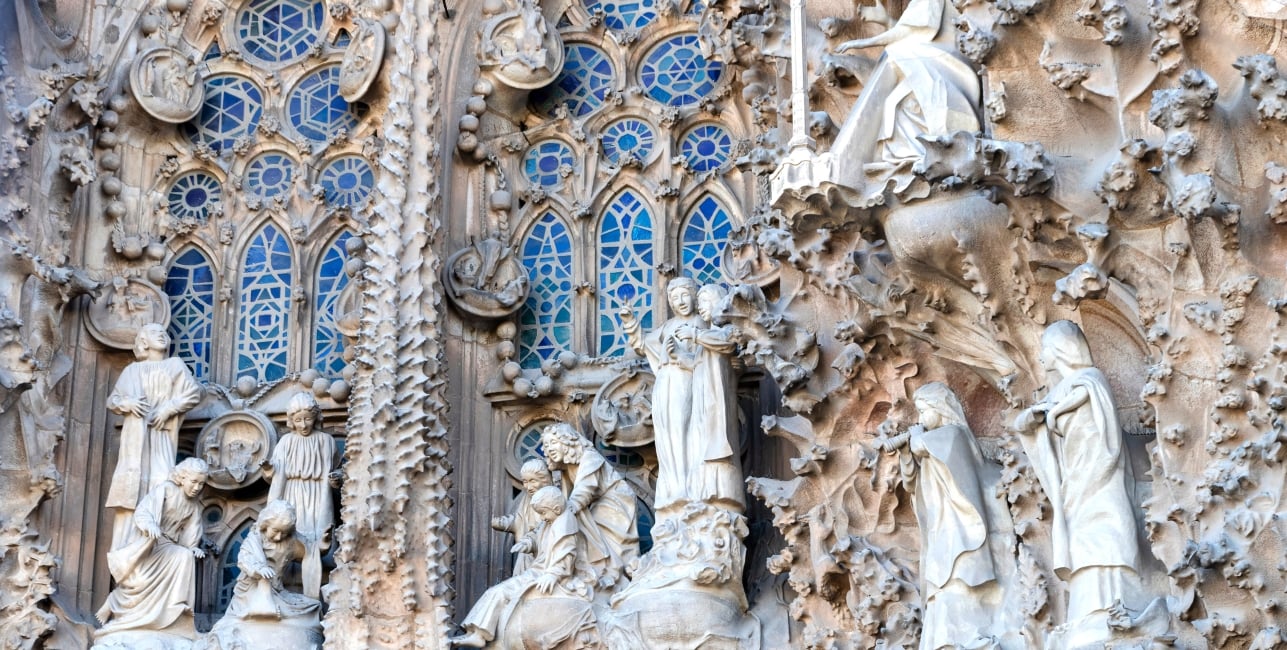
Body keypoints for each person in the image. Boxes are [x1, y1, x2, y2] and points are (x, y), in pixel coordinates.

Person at [1014, 321, 1144, 628]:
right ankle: (1088, 611)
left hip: (1099, 469)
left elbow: (1086, 393)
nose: (1042, 356)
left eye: (1045, 348)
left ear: (1061, 350)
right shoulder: (1058, 390)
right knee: (1081, 537)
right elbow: (1027, 421)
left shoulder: (1089, 378)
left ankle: (1117, 606)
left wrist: (1055, 412)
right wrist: (1033, 418)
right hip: (1073, 475)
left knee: (1106, 529)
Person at [830, 0, 981, 206]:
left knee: (895, 59)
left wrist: (861, 43)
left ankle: (924, 153)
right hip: (924, 55)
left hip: (940, 58)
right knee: (891, 101)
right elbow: (913, 32)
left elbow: (905, 35)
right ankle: (903, 158)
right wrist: (885, 20)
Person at [883, 382, 996, 649]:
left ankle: (973, 636)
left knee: (960, 581)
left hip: (961, 526)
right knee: (941, 588)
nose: (920, 418)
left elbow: (927, 445)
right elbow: (912, 483)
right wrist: (906, 455)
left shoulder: (954, 435)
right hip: (941, 528)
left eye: (924, 410)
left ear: (940, 408)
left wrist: (914, 438)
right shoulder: (931, 441)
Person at [450, 486, 591, 648]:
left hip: (543, 575)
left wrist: (553, 574)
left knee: (499, 592)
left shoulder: (565, 524)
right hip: (536, 571)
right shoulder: (552, 520)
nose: (542, 518)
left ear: (557, 508)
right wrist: (527, 543)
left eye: (543, 513)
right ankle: (475, 633)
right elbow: (537, 535)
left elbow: (567, 555)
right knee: (496, 592)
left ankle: (479, 635)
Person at [104, 323, 202, 551]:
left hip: (161, 435)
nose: (161, 334)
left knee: (161, 482)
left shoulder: (174, 365)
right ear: (143, 342)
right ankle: (127, 547)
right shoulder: (132, 371)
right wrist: (126, 403)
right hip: (135, 439)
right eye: (153, 332)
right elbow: (113, 401)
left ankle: (160, 545)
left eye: (164, 332)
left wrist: (168, 408)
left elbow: (192, 392)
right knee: (133, 488)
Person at [95, 459, 208, 643]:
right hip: (151, 543)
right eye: (193, 482)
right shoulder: (167, 490)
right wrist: (150, 525)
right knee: (140, 579)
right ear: (182, 478)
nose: (197, 487)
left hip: (170, 546)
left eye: (201, 484)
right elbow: (143, 511)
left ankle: (176, 607)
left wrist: (193, 548)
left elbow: (191, 531)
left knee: (185, 556)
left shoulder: (194, 505)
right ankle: (115, 601)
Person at [621, 277, 705, 509]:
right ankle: (673, 486)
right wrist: (629, 320)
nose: (681, 301)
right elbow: (642, 344)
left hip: (687, 380)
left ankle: (690, 487)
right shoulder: (668, 327)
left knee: (684, 431)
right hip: (665, 382)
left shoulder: (701, 323)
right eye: (675, 297)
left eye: (685, 295)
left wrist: (682, 354)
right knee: (667, 435)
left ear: (694, 296)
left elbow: (709, 356)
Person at [200, 500, 323, 650]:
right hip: (251, 592)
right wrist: (259, 569)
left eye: (283, 533)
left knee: (313, 606)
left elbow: (310, 549)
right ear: (266, 524)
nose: (278, 537)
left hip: (278, 592)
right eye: (275, 531)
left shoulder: (290, 540)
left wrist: (322, 544)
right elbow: (244, 559)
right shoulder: (254, 538)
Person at [540, 424, 639, 589]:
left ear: (567, 442)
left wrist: (566, 511)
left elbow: (585, 490)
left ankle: (615, 576)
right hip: (594, 503)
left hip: (615, 501)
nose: (550, 449)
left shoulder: (590, 457)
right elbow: (568, 497)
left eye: (554, 442)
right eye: (547, 445)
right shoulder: (565, 468)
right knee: (583, 529)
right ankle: (594, 572)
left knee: (614, 543)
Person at [263, 392, 339, 599]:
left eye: (308, 418)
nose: (303, 424)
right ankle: (279, 591)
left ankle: (312, 596)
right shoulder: (286, 441)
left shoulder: (326, 441)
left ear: (316, 417)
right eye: (298, 420)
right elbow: (276, 469)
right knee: (287, 537)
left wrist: (336, 479)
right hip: (291, 495)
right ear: (291, 421)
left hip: (318, 496)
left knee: (316, 541)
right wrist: (269, 468)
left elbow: (336, 468)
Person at [688, 283, 746, 510]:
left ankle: (723, 495)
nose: (700, 308)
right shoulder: (706, 337)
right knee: (702, 449)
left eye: (704, 302)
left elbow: (726, 343)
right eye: (700, 302)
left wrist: (695, 334)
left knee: (718, 451)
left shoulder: (726, 330)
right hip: (703, 405)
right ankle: (704, 494)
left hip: (718, 403)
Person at [492, 458, 554, 573]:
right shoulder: (527, 499)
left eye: (533, 481)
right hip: (528, 551)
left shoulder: (553, 499)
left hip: (547, 553)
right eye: (525, 482)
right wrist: (503, 523)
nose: (528, 487)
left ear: (545, 480)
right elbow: (520, 519)